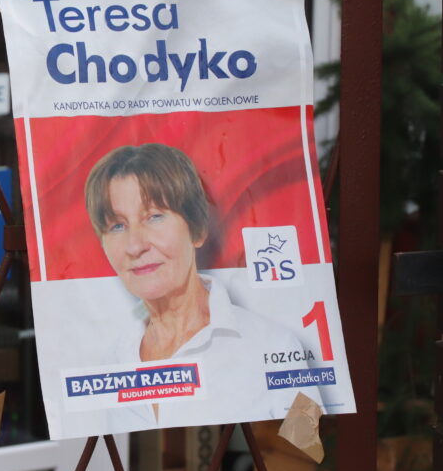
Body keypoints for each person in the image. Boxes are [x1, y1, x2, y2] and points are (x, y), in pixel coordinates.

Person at [84, 144, 321, 428]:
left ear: (197, 230)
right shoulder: (109, 359)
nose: (135, 246)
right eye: (117, 226)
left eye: (154, 216)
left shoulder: (274, 346)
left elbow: (309, 448)